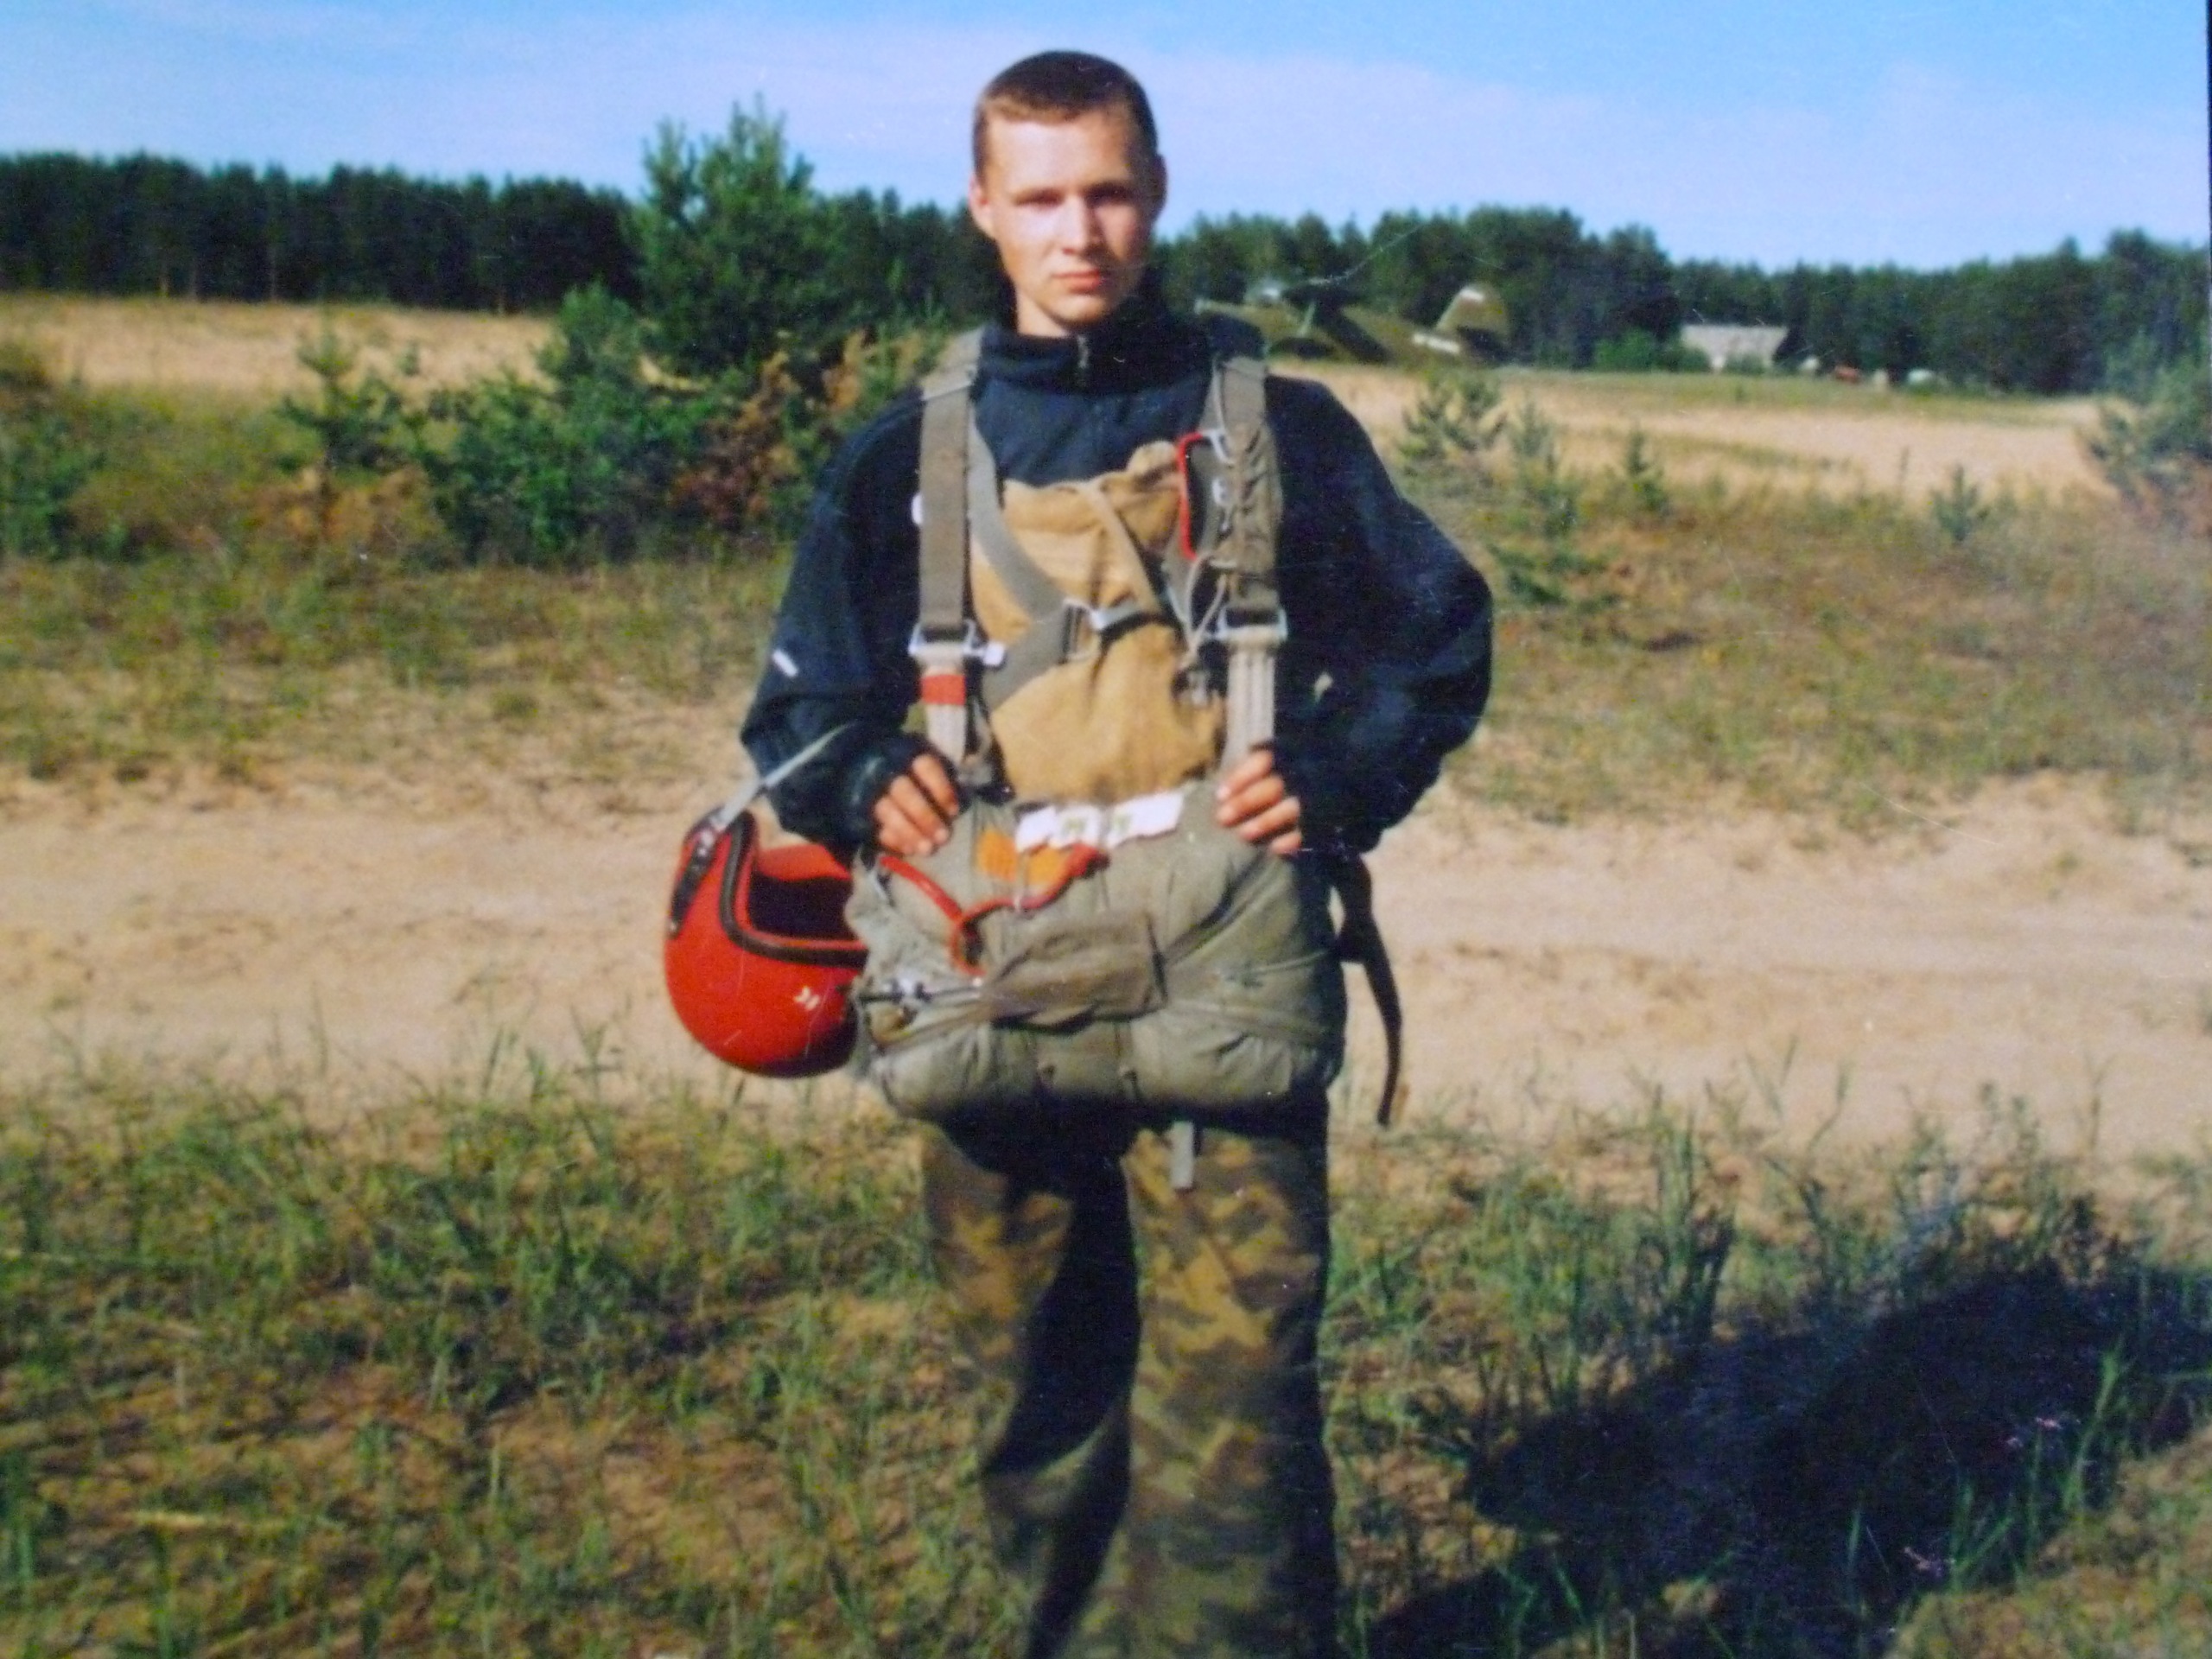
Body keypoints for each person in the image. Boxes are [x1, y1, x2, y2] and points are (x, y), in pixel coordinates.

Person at [741, 50, 1491, 1658]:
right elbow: (795, 714)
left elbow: (1436, 637)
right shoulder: (903, 458)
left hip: (1226, 991)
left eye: (1108, 192)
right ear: (981, 209)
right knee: (1037, 1402)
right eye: (1040, 198)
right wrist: (866, 773)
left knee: (1239, 1421)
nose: (1077, 232)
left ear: (1157, 194)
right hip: (990, 987)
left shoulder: (1278, 431)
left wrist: (1337, 775)